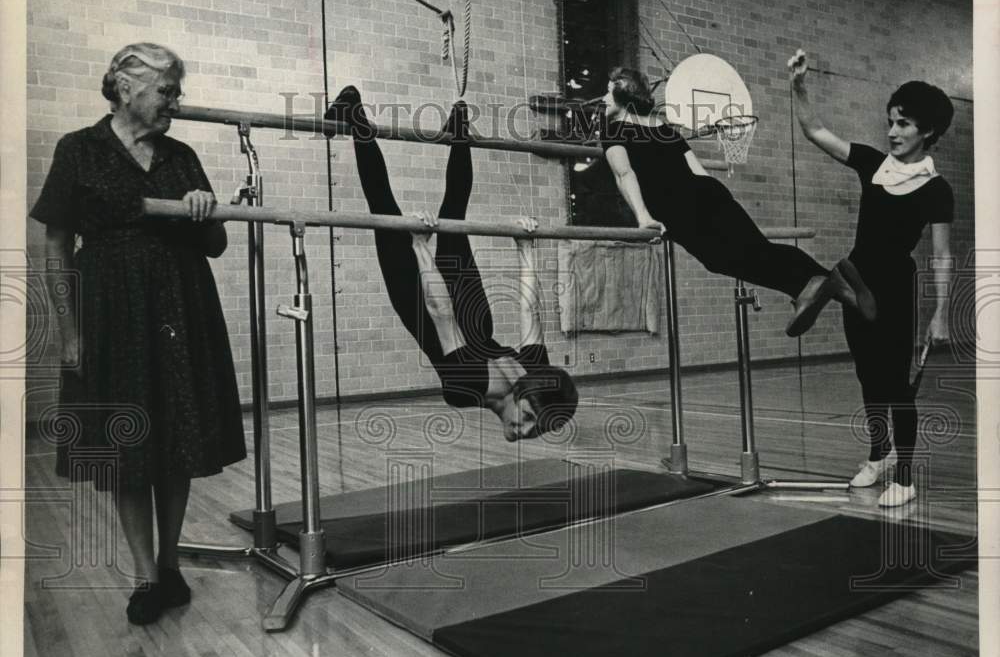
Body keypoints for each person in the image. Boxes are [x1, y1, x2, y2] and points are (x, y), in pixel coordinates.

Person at [31, 42, 246, 623]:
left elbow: (216, 246)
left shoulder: (181, 156)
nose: (175, 102)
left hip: (180, 309)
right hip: (109, 313)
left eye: (176, 92)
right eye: (166, 92)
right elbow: (56, 245)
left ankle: (171, 565)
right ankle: (145, 577)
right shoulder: (78, 149)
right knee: (126, 449)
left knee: (175, 442)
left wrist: (206, 207)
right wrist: (67, 331)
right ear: (126, 89)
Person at [325, 87, 577, 440]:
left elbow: (443, 312)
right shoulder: (515, 377)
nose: (524, 430)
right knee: (416, 209)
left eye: (534, 428)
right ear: (530, 394)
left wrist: (420, 246)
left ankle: (440, 127)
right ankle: (376, 119)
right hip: (445, 307)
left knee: (407, 210)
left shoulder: (471, 389)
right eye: (532, 419)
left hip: (436, 308)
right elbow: (524, 312)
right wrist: (525, 246)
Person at [788, 49, 954, 507]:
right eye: (890, 122)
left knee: (896, 383)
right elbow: (814, 130)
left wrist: (940, 312)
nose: (892, 131)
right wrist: (799, 87)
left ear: (928, 132)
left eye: (902, 124)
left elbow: (942, 256)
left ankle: (904, 475)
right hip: (853, 284)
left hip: (895, 289)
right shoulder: (871, 164)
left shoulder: (936, 190)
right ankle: (879, 454)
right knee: (867, 376)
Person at [599, 66, 876, 337]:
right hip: (710, 192)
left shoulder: (613, 130)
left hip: (677, 206)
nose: (603, 99)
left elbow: (625, 174)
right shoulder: (664, 129)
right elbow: (697, 171)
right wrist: (714, 200)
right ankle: (830, 282)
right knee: (757, 250)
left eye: (608, 94)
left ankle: (812, 285)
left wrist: (643, 217)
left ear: (623, 96)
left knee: (725, 260)